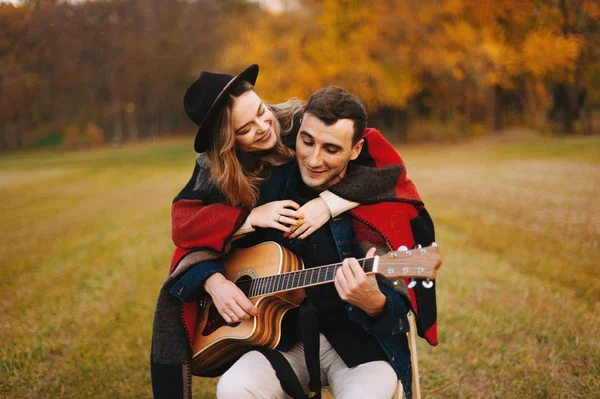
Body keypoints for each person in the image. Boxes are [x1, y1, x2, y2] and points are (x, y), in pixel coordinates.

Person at [151, 65, 438, 399]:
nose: (263, 127)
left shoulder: (315, 126)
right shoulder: (225, 177)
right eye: (246, 128)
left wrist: (329, 204)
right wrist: (223, 266)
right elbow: (190, 230)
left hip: (356, 342)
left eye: (261, 111)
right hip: (281, 340)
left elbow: (391, 174)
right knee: (234, 389)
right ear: (227, 144)